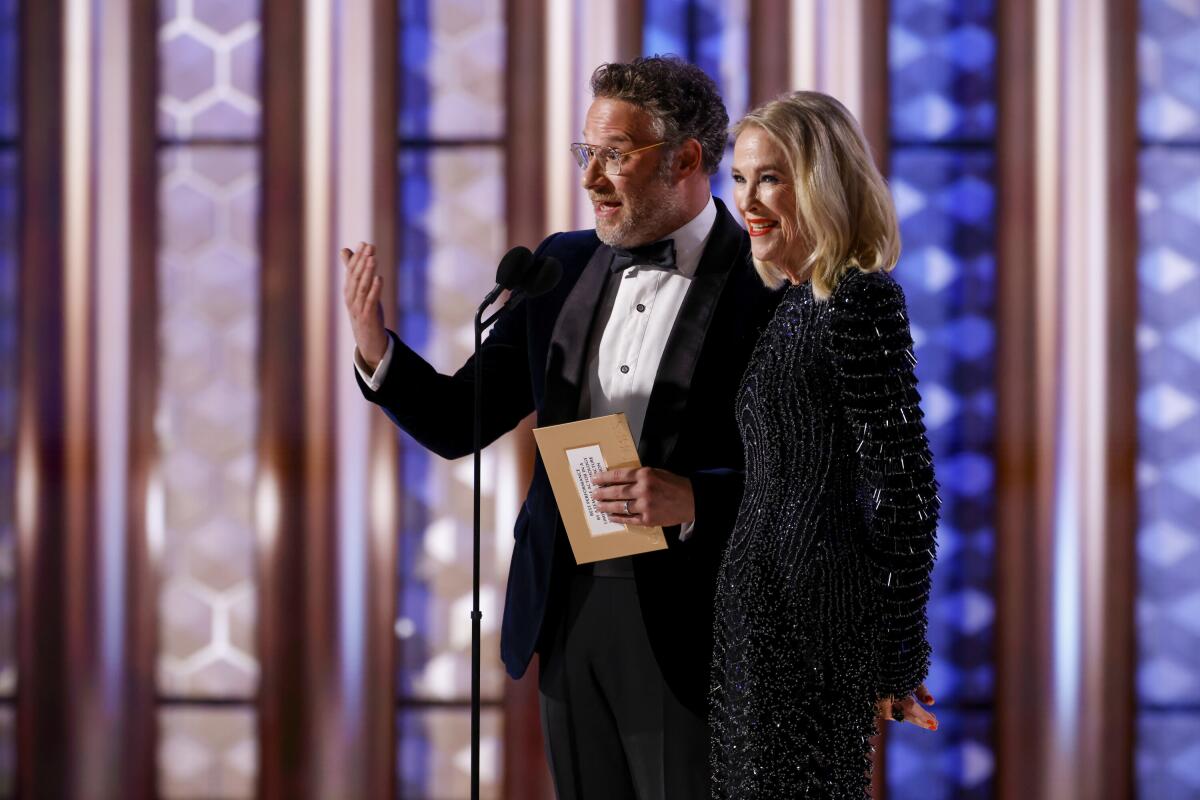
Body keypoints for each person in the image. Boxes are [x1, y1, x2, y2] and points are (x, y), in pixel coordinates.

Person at [341, 56, 780, 799]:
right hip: (566, 608)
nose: (591, 179)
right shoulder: (560, 265)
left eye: (615, 155)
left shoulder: (766, 282)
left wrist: (695, 499)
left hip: (695, 624)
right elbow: (459, 419)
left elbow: (810, 483)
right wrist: (376, 351)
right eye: (587, 154)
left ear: (686, 159)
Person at [708, 91, 941, 797]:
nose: (748, 198)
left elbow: (907, 493)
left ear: (821, 182)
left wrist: (897, 659)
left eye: (771, 177)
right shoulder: (790, 308)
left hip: (811, 632)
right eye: (741, 177)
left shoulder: (859, 301)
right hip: (755, 622)